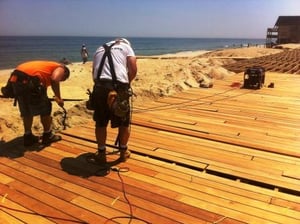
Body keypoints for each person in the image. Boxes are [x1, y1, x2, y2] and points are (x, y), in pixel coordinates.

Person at [91, 38, 137, 164]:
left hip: (100, 86)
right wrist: (126, 84)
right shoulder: (126, 47)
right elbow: (133, 69)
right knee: (123, 121)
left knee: (100, 122)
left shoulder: (99, 48)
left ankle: (101, 153)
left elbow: (93, 72)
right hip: (119, 87)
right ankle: (123, 152)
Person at [9, 61, 70, 146]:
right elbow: (54, 80)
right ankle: (47, 135)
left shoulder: (47, 67)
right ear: (65, 73)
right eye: (63, 78)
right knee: (46, 108)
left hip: (16, 78)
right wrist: (59, 98)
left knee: (26, 109)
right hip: (30, 79)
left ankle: (28, 136)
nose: (61, 80)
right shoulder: (61, 68)